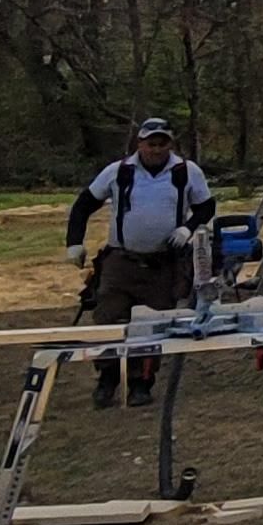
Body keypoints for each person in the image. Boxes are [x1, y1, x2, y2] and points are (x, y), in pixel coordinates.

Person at [64, 118, 214, 408]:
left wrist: (189, 227)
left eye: (162, 144)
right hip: (120, 262)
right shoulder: (119, 172)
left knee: (154, 325)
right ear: (139, 144)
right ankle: (107, 379)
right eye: (150, 143)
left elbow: (207, 205)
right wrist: (74, 242)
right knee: (107, 318)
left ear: (170, 144)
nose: (156, 150)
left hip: (163, 265)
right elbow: (84, 204)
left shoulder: (186, 172)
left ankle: (141, 383)